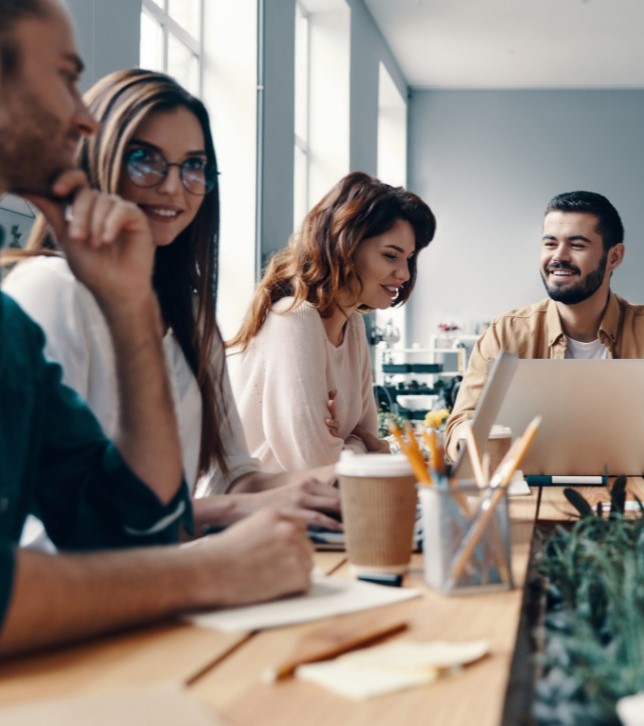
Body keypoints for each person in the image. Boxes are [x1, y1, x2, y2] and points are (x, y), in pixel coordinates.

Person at [0, 0, 311, 656]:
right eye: (63, 77)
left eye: (194, 166)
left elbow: (135, 527)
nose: (80, 117)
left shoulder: (22, 327)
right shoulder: (43, 292)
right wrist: (212, 567)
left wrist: (130, 312)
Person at [4, 69, 342, 537]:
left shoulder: (190, 312)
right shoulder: (51, 291)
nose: (172, 186)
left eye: (194, 165)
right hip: (89, 597)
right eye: (144, 158)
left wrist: (338, 481)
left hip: (162, 579)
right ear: (97, 158)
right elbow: (44, 528)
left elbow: (234, 478)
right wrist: (222, 514)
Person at [445, 190, 644, 459]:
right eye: (550, 244)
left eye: (577, 244)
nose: (559, 256)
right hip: (529, 493)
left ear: (614, 257)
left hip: (636, 490)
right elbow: (461, 422)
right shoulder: (504, 333)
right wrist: (469, 438)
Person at [228, 171, 436, 470]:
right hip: (269, 509)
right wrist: (359, 446)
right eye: (391, 256)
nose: (404, 273)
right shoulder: (293, 319)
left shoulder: (352, 326)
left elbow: (367, 434)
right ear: (346, 248)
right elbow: (317, 465)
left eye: (408, 258)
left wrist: (350, 442)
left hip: (326, 507)